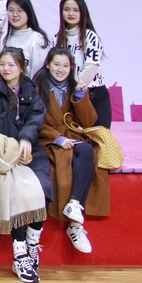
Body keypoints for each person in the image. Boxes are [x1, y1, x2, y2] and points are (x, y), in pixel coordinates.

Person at [0, 47, 48, 283]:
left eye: (11, 65)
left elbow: (36, 118)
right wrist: (8, 149)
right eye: (3, 64)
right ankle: (20, 253)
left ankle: (32, 241)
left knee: (43, 187)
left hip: (27, 148)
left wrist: (26, 139)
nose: (6, 69)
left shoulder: (30, 89)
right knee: (14, 191)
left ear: (22, 68)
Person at [34, 48, 109, 254]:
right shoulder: (36, 89)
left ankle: (75, 205)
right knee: (63, 164)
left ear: (71, 68)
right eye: (56, 64)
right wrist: (57, 139)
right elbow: (32, 121)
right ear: (48, 64)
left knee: (87, 151)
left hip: (73, 136)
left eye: (66, 66)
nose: (61, 70)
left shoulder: (76, 88)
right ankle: (75, 226)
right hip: (48, 139)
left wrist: (81, 96)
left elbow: (89, 121)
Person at [55, 0, 111, 128]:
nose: (71, 13)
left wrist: (77, 86)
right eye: (66, 9)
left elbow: (91, 67)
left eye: (76, 10)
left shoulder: (90, 37)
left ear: (83, 13)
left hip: (94, 94)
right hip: (67, 95)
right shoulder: (56, 39)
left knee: (100, 137)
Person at [3, 0, 50, 77]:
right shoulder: (5, 37)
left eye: (20, 11)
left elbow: (38, 75)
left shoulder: (38, 39)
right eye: (11, 10)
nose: (15, 14)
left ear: (28, 13)